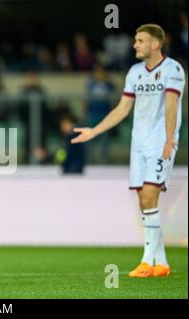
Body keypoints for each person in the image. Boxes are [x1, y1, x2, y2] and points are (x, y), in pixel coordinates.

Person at [72, 24, 186, 278]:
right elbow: (123, 109)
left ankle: (147, 260)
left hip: (160, 143)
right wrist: (94, 131)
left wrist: (169, 139)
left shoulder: (173, 69)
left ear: (155, 44)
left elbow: (171, 104)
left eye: (140, 41)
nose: (135, 45)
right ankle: (162, 262)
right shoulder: (135, 72)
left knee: (149, 195)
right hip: (138, 144)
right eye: (135, 40)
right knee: (144, 200)